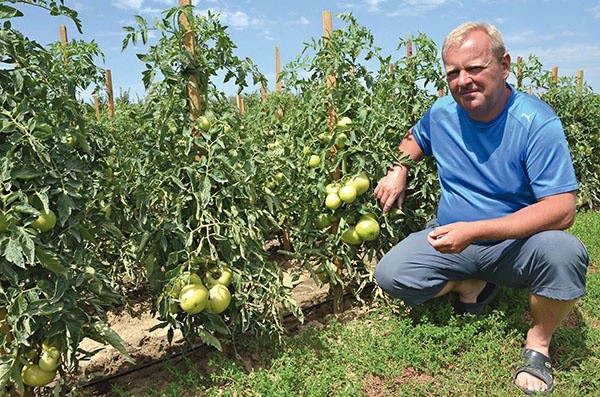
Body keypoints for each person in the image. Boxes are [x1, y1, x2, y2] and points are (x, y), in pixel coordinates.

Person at [374, 22, 588, 396]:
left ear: (504, 66)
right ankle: (471, 282)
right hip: (451, 237)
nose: (463, 81)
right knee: (392, 274)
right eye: (453, 72)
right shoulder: (442, 113)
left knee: (564, 253)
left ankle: (537, 345)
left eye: (475, 68)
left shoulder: (536, 121)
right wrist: (399, 168)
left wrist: (475, 231)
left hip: (516, 244)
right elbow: (415, 138)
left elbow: (562, 209)